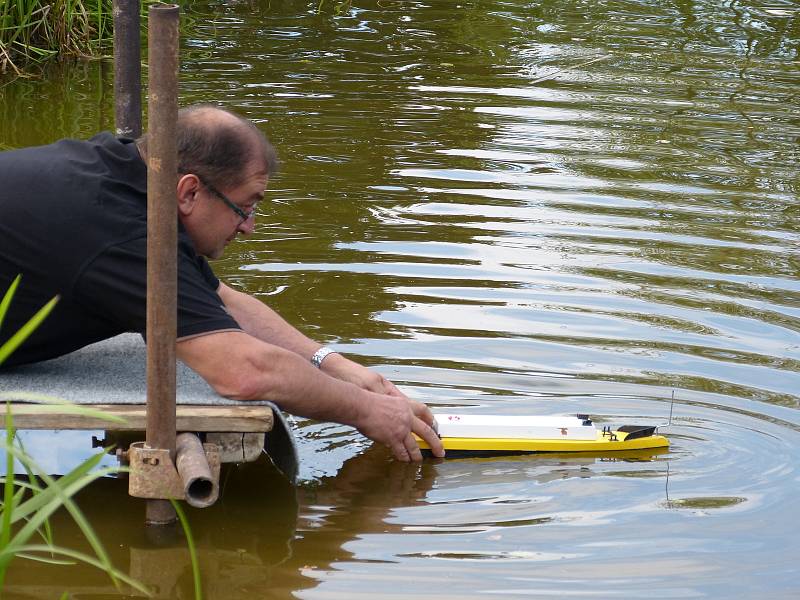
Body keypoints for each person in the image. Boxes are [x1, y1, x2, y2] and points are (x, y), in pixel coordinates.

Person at [0, 104, 444, 462]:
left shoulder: (120, 178)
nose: (249, 227)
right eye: (246, 207)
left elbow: (222, 301)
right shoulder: (121, 235)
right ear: (190, 192)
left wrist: (336, 366)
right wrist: (368, 412)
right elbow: (245, 372)